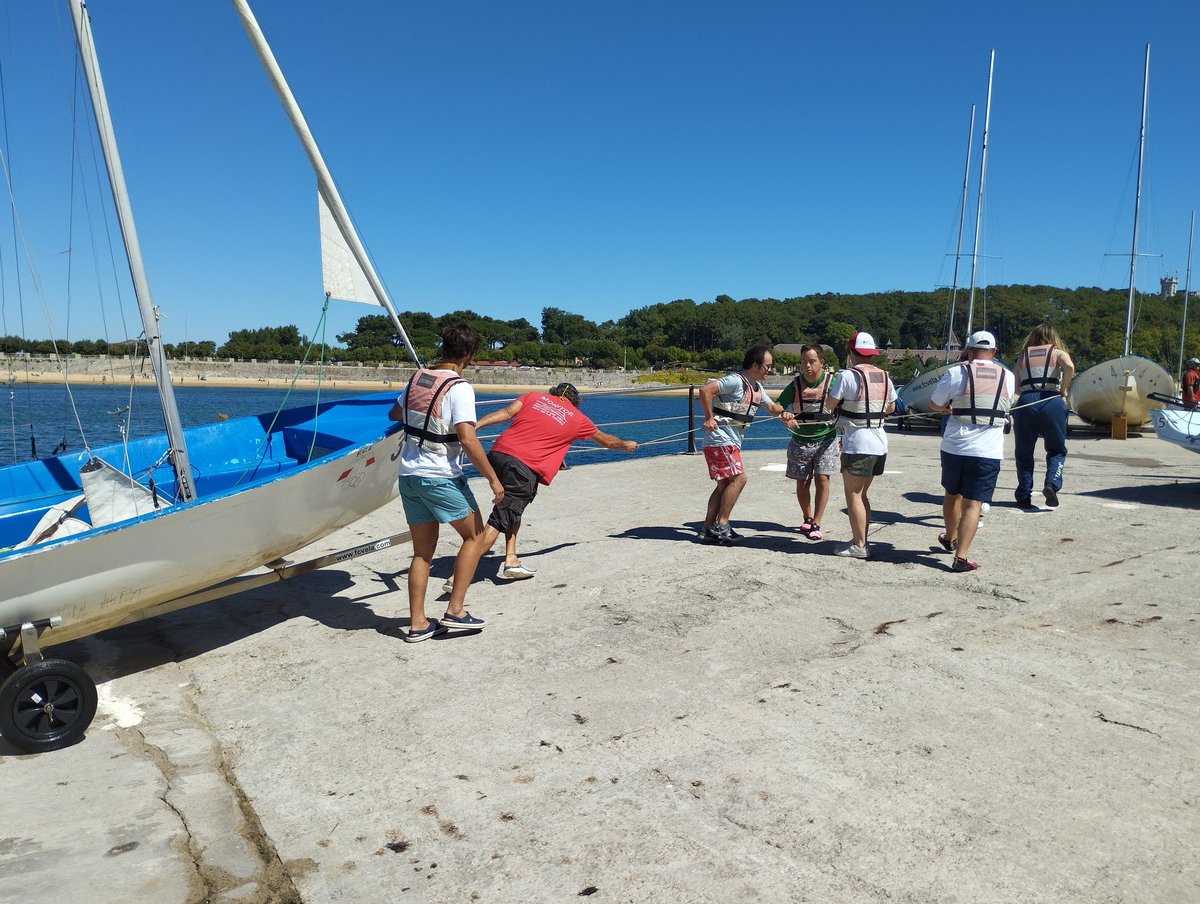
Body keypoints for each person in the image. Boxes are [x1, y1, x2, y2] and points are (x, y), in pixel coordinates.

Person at [388, 323, 504, 642]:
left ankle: (417, 624)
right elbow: (467, 438)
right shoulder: (460, 387)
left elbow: (395, 414)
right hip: (440, 476)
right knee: (475, 536)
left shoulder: (417, 378)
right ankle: (455, 611)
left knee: (422, 553)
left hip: (409, 475)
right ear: (468, 354)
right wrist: (493, 479)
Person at [468, 383, 638, 580]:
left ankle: (511, 559)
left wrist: (475, 426)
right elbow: (606, 441)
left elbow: (506, 413)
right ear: (575, 402)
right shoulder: (578, 419)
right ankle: (458, 576)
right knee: (499, 519)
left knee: (512, 509)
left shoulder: (533, 397)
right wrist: (625, 445)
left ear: (553, 393)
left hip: (498, 456)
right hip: (523, 467)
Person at [929, 329, 1015, 572]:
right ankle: (961, 557)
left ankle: (949, 537)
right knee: (973, 503)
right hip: (987, 450)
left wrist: (946, 408)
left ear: (968, 349)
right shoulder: (1007, 376)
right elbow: (1008, 403)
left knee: (951, 494)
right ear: (994, 351)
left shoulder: (956, 372)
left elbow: (934, 404)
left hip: (955, 446)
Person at [698, 345, 791, 544]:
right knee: (740, 479)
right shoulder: (735, 380)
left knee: (724, 485)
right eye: (768, 366)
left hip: (727, 441)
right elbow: (705, 390)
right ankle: (722, 525)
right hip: (720, 439)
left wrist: (785, 414)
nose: (770, 370)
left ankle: (707, 529)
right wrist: (708, 417)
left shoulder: (757, 388)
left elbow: (772, 408)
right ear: (755, 365)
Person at [825, 331, 896, 559]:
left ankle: (859, 545)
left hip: (857, 443)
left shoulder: (847, 376)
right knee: (863, 494)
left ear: (851, 353)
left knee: (853, 495)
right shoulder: (884, 376)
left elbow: (829, 406)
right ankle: (862, 540)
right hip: (879, 442)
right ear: (872, 354)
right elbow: (891, 408)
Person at [774, 344, 839, 540]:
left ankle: (817, 522)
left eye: (812, 361)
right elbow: (778, 405)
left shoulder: (833, 382)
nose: (807, 366)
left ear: (821, 363)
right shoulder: (795, 384)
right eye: (804, 362)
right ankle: (807, 517)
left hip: (827, 438)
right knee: (802, 482)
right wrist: (784, 415)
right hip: (801, 440)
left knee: (822, 479)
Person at [1012, 323, 1076, 508]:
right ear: (1053, 337)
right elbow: (1069, 367)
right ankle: (1051, 484)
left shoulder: (1023, 356)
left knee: (1024, 452)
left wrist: (1023, 395)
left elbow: (1016, 384)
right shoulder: (1057, 353)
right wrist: (1063, 389)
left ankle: (1024, 494)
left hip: (1026, 402)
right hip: (1051, 401)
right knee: (1056, 449)